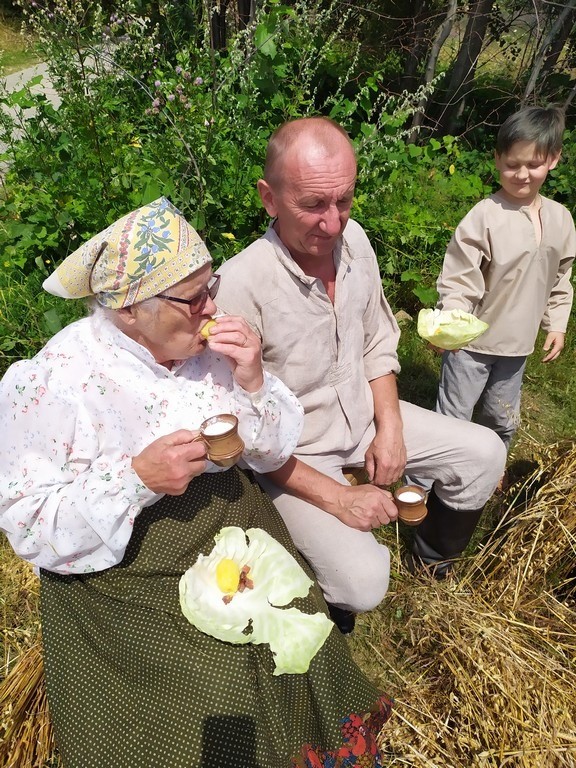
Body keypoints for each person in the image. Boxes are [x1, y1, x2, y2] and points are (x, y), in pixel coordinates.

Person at [0, 198, 392, 768]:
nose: (213, 307)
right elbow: (29, 525)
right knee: (214, 683)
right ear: (129, 311)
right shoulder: (55, 382)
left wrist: (253, 380)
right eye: (194, 298)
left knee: (295, 626)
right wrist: (135, 479)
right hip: (121, 562)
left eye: (212, 288)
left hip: (227, 516)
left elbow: (271, 451)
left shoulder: (207, 354)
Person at [215, 116, 507, 632]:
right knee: (364, 583)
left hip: (365, 415)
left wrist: (390, 429)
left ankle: (432, 562)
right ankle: (313, 582)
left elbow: (375, 341)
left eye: (344, 200)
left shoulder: (356, 243)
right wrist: (339, 499)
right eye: (313, 205)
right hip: (294, 453)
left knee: (485, 452)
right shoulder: (240, 286)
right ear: (269, 198)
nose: (332, 223)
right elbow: (245, 438)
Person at [434, 106, 575, 454]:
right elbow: (459, 276)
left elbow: (560, 277)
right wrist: (450, 323)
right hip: (471, 345)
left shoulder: (560, 218)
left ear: (553, 160)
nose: (522, 174)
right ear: (497, 159)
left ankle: (492, 467)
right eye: (512, 164)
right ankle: (428, 477)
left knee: (501, 417)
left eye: (533, 164)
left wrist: (556, 324)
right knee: (453, 417)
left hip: (518, 347)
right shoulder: (485, 215)